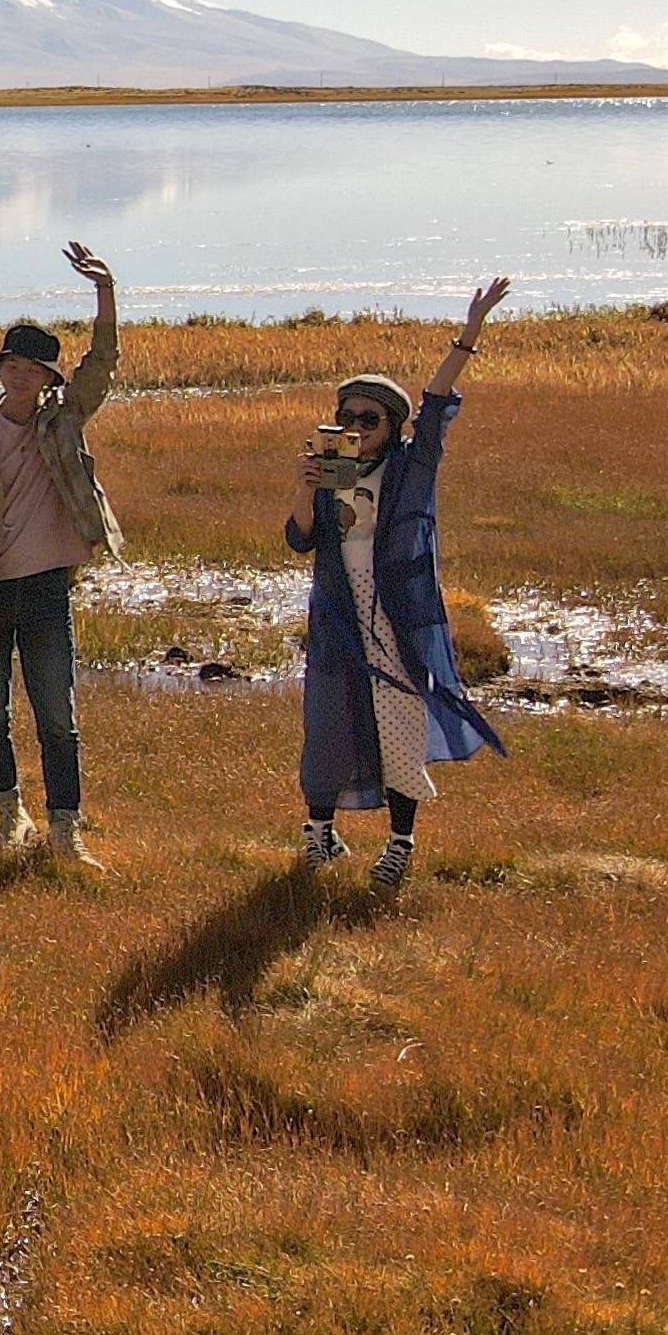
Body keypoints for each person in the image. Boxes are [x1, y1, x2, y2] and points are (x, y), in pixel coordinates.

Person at [288, 278, 514, 895]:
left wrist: (470, 330)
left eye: (369, 419)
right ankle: (318, 833)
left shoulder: (412, 470)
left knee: (399, 729)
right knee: (331, 723)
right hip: (338, 619)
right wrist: (309, 484)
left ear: (392, 425)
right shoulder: (332, 471)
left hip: (398, 621)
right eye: (347, 417)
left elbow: (438, 400)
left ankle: (399, 842)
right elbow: (300, 538)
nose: (356, 427)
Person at [0, 244, 122, 867]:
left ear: (48, 378)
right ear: (1, 370)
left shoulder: (64, 419)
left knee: (58, 715)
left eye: (33, 367)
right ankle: (8, 814)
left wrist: (105, 293)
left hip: (46, 588)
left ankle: (65, 829)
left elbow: (103, 365)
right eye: (12, 364)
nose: (20, 375)